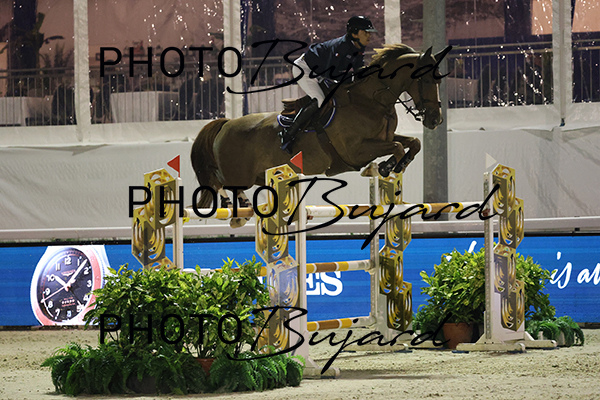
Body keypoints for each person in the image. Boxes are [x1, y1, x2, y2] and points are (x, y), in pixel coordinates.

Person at [279, 15, 377, 153]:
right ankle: (288, 134)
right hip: (305, 69)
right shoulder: (341, 47)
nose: (369, 35)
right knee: (320, 99)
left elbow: (358, 69)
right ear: (354, 33)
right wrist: (352, 78)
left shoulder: (358, 47)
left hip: (320, 72)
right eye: (365, 32)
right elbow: (332, 74)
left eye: (369, 32)